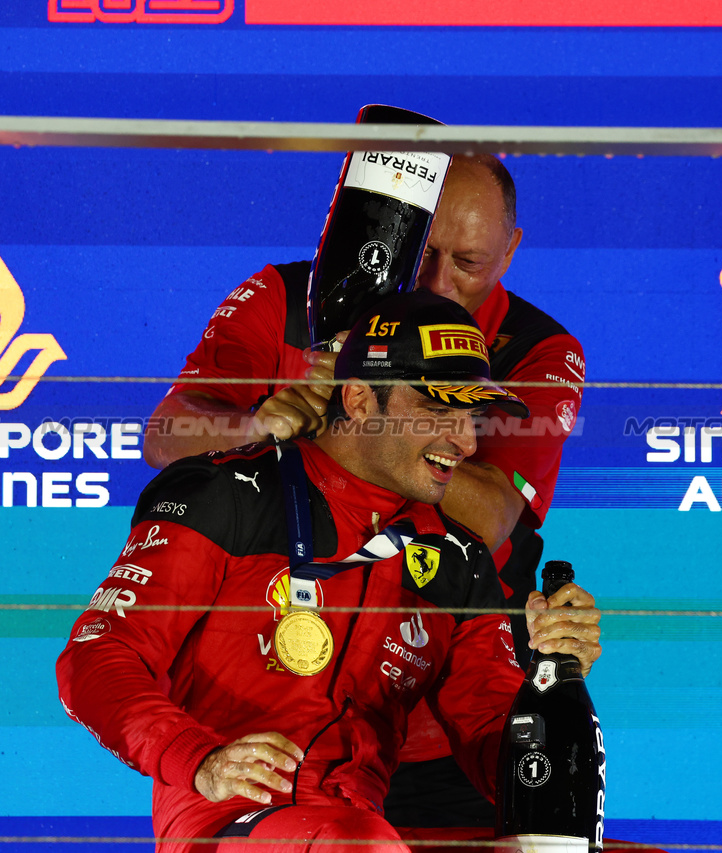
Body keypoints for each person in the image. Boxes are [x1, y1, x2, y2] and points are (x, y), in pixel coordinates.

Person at [143, 153, 599, 828]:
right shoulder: (285, 299)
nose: (441, 281)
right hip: (284, 713)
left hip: (454, 714)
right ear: (398, 226)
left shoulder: (540, 348)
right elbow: (166, 435)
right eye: (427, 251)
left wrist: (363, 420)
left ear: (511, 251)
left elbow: (495, 514)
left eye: (468, 262)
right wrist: (259, 422)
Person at [58, 292, 596, 853]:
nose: (464, 442)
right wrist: (198, 758)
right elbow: (98, 655)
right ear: (360, 399)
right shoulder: (227, 494)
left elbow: (498, 752)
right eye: (439, 412)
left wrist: (551, 681)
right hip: (225, 829)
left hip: (366, 828)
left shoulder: (460, 559)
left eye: (472, 417)